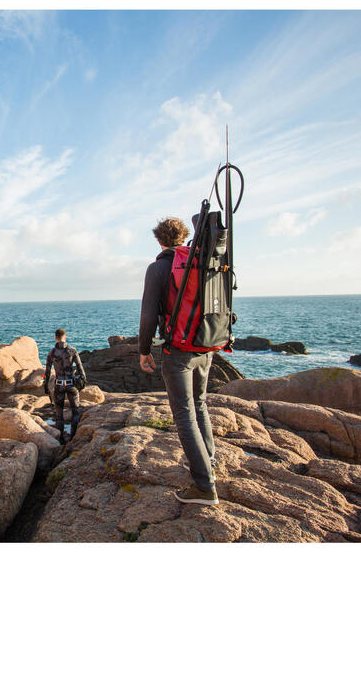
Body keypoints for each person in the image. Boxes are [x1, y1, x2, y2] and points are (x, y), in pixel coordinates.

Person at [138, 217, 219, 506]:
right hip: (205, 346)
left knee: (183, 413)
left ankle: (204, 486)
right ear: (184, 238)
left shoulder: (159, 268)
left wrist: (144, 350)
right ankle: (207, 461)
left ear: (159, 240)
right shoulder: (199, 262)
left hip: (178, 351)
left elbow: (148, 314)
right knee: (200, 404)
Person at [44, 328, 86, 444]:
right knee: (75, 411)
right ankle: (73, 437)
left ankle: (61, 439)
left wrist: (46, 386)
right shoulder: (72, 351)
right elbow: (81, 370)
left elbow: (47, 372)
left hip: (58, 385)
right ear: (65, 337)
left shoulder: (51, 353)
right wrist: (82, 383)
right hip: (71, 384)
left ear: (55, 338)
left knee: (59, 413)